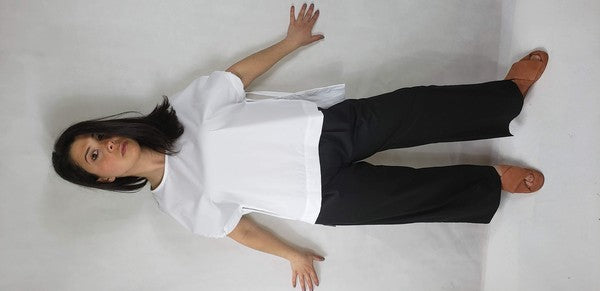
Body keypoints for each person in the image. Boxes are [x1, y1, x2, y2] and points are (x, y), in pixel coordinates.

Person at [51, 3, 548, 291]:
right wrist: (292, 257)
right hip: (320, 198)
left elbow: (236, 77)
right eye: (95, 155)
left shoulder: (180, 113)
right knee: (411, 199)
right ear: (105, 178)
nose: (106, 144)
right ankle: (491, 183)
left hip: (324, 130)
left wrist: (289, 43)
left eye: (97, 135)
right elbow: (240, 230)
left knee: (414, 108)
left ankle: (502, 99)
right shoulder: (176, 202)